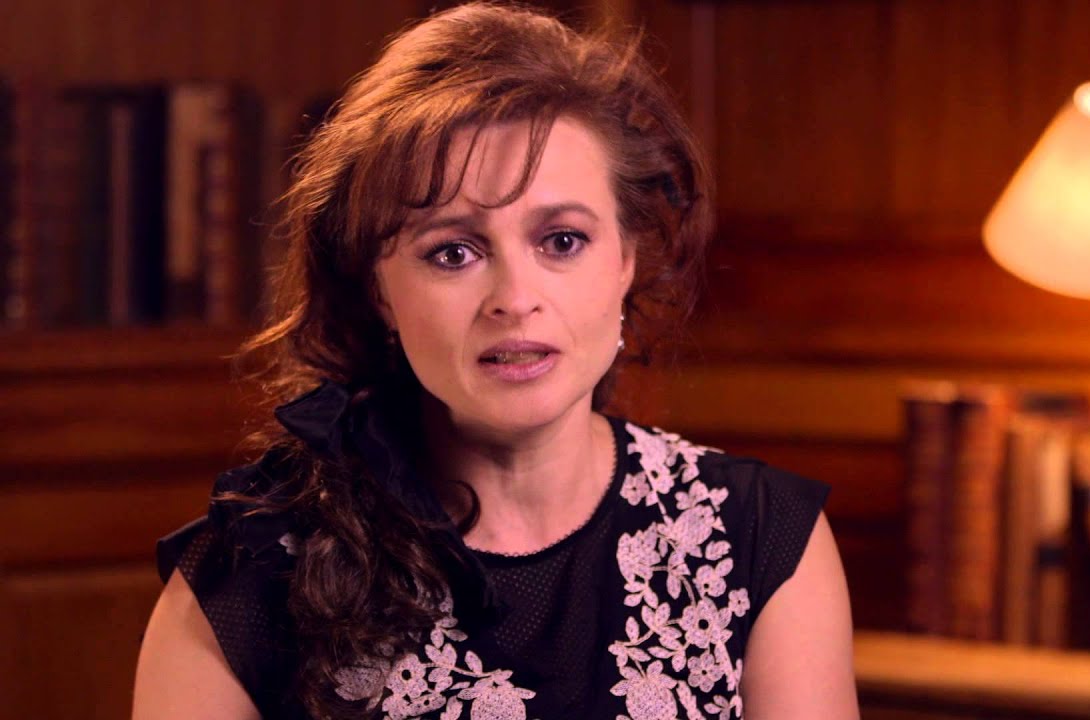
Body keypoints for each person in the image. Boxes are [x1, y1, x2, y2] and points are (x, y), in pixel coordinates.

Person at [132, 3, 858, 719]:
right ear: (379, 292)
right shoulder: (246, 577)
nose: (514, 299)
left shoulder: (759, 539)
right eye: (453, 252)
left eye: (562, 241)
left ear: (626, 262)